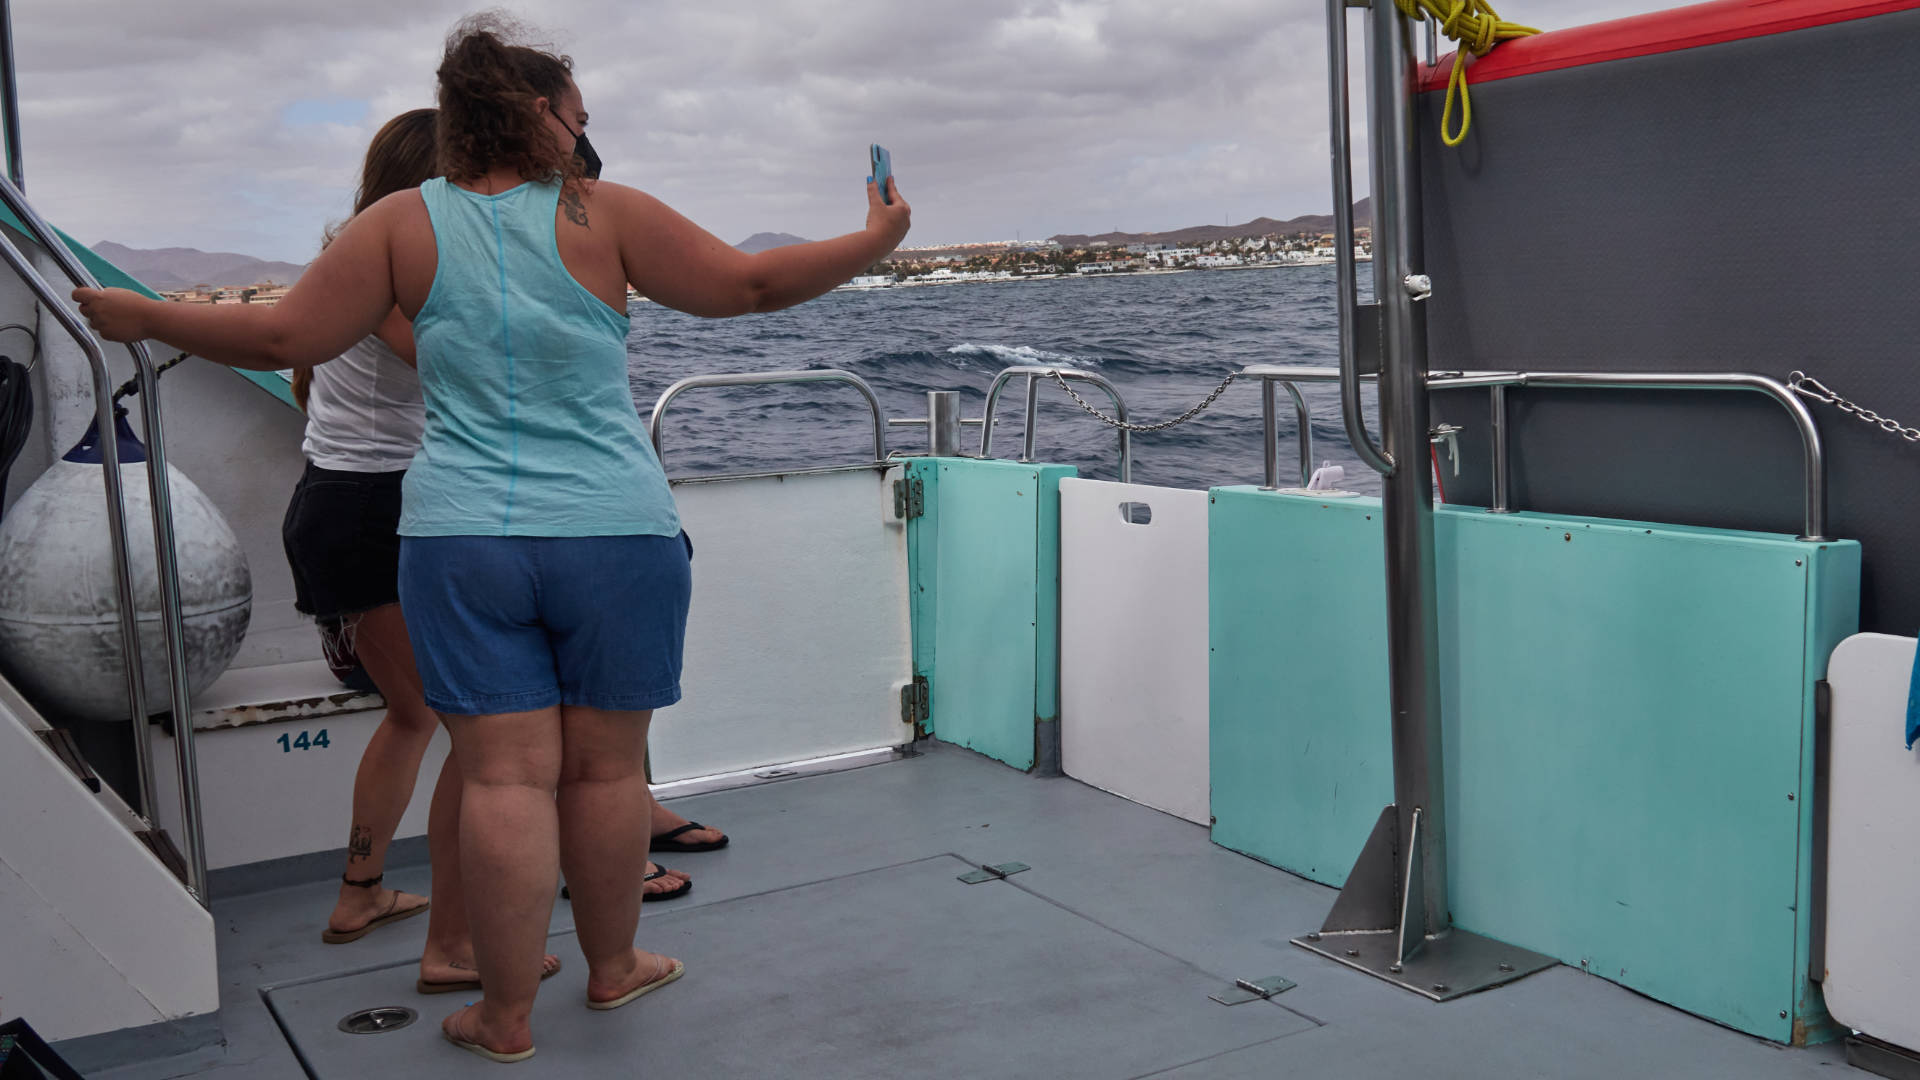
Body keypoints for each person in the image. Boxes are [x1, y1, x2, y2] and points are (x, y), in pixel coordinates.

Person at [75, 14, 910, 1065]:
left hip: (462, 537)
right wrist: (878, 238)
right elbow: (747, 287)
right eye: (579, 116)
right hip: (615, 529)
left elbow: (285, 336)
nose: (585, 135)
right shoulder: (603, 214)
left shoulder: (393, 227)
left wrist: (147, 319)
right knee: (605, 776)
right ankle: (614, 972)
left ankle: (502, 1018)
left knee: (506, 778)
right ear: (541, 119)